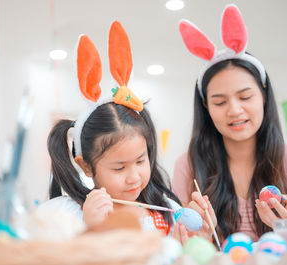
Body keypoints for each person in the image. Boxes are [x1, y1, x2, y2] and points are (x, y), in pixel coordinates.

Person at [173, 4, 287, 242]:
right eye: (220, 102)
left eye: (245, 97)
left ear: (263, 95)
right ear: (205, 106)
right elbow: (181, 246)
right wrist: (192, 237)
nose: (235, 110)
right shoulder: (189, 165)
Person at [40, 21, 185, 238]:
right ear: (86, 166)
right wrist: (91, 229)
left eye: (140, 161)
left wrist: (192, 241)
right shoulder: (70, 216)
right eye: (119, 168)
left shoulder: (166, 211)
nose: (134, 177)